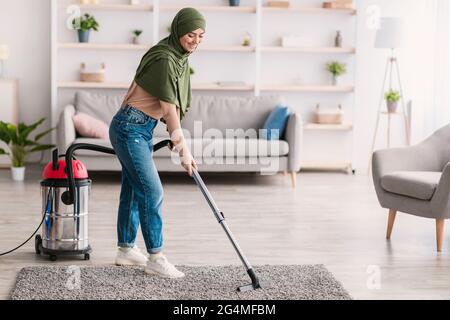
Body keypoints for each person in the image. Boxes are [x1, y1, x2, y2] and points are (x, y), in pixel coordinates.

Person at [108, 8, 206, 278]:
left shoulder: (176, 55)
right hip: (130, 128)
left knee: (133, 189)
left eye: (200, 36)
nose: (195, 40)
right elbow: (169, 107)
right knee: (152, 191)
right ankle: (156, 257)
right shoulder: (165, 58)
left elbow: (165, 106)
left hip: (139, 128)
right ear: (178, 31)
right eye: (190, 34)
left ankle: (126, 249)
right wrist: (183, 148)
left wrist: (176, 138)